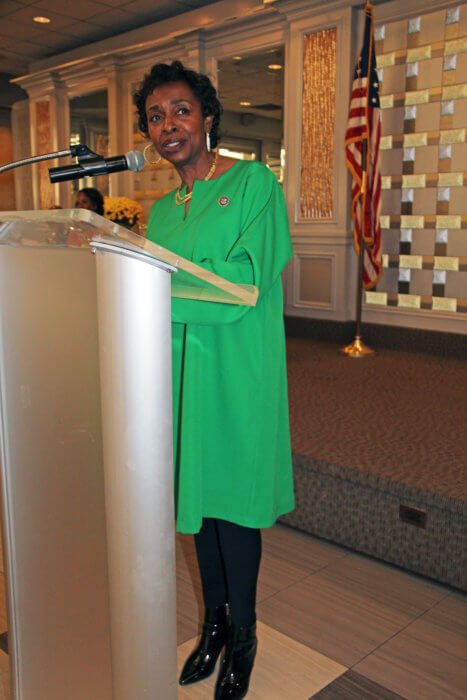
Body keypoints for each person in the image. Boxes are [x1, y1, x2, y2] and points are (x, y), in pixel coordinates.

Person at [134, 61, 294, 700]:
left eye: (179, 110)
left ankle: (245, 637)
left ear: (207, 117)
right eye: (155, 116)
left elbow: (244, 286)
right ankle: (214, 626)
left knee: (233, 509)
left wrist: (158, 288)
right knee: (196, 509)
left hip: (237, 367)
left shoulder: (255, 183)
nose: (167, 125)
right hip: (182, 369)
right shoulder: (161, 209)